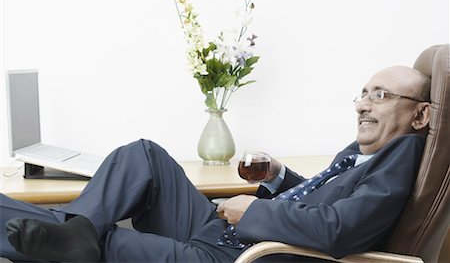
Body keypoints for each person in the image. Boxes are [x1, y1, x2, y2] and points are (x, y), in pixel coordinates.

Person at [0, 66, 431, 262]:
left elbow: (339, 230)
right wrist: (280, 177)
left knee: (100, 242)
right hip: (222, 232)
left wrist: (255, 211)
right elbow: (325, 200)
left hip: (237, 253)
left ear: (421, 114)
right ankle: (79, 229)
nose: (363, 105)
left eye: (381, 95)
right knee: (144, 153)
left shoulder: (401, 155)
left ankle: (81, 234)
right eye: (362, 93)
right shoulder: (362, 154)